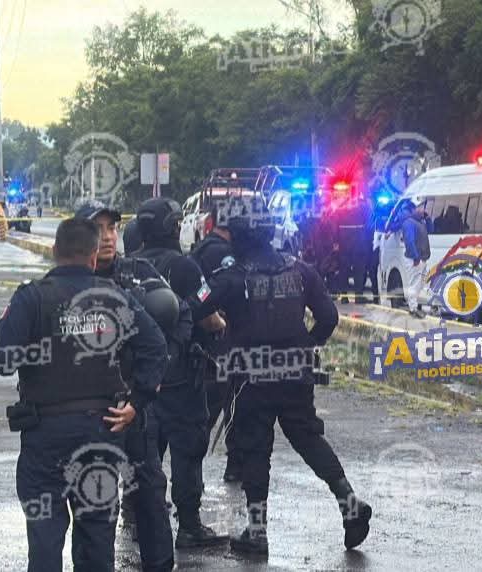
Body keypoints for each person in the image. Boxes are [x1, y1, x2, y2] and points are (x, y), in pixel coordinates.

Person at [0, 217, 168, 571]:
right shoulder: (115, 297)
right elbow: (156, 347)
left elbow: (2, 359)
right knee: (97, 540)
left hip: (45, 436)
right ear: (91, 258)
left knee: (44, 538)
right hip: (101, 433)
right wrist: (137, 403)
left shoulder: (32, 297)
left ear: (55, 252)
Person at [202, 196, 372, 557]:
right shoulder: (301, 269)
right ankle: (349, 502)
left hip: (250, 377)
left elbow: (194, 307)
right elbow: (328, 318)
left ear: (237, 237)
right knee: (309, 439)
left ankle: (258, 529)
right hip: (296, 372)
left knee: (254, 447)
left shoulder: (230, 277)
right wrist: (306, 347)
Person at [71, 201, 177, 571]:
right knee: (94, 508)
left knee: (148, 495)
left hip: (133, 407)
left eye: (113, 227)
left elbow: (177, 323)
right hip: (85, 413)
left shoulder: (139, 272)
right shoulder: (65, 282)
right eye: (99, 229)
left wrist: (150, 385)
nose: (109, 236)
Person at [133, 197, 230, 548]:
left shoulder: (130, 266)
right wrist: (221, 325)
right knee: (188, 448)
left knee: (145, 446)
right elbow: (208, 316)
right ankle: (188, 525)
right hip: (180, 377)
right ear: (171, 227)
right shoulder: (185, 267)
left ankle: (138, 513)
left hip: (141, 378)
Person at [189, 204, 244, 484]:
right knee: (231, 402)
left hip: (202, 341)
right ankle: (234, 465)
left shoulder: (199, 249)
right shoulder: (225, 256)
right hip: (224, 338)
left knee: (207, 408)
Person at [399, 199, 431, 318]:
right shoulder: (408, 223)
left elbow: (431, 230)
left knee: (420, 284)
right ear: (413, 209)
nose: (423, 210)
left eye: (423, 207)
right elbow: (409, 241)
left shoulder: (421, 222)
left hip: (422, 258)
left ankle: (416, 306)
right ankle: (413, 308)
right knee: (414, 283)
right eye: (420, 207)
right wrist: (416, 257)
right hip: (415, 259)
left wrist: (428, 219)